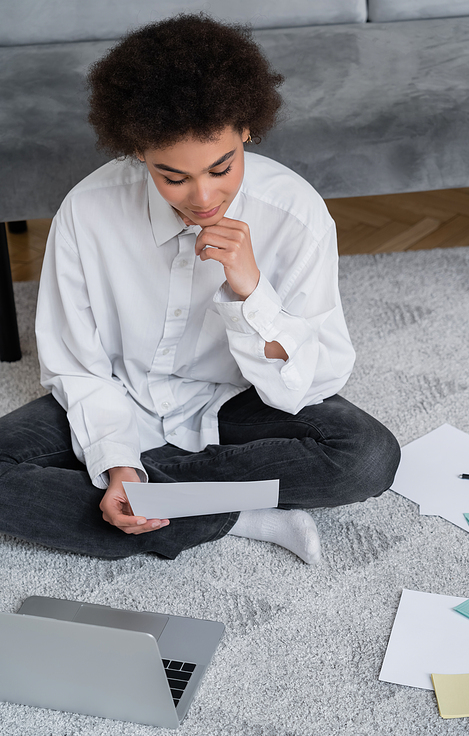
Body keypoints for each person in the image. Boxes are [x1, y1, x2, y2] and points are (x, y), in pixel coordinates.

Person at [0, 14, 400, 565]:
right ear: (138, 151)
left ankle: (155, 505)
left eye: (221, 167)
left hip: (237, 402)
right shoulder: (87, 212)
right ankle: (230, 513)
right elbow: (76, 367)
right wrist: (119, 462)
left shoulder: (295, 214)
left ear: (246, 131)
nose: (203, 196)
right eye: (173, 176)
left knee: (367, 458)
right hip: (125, 393)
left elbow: (317, 380)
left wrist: (252, 292)